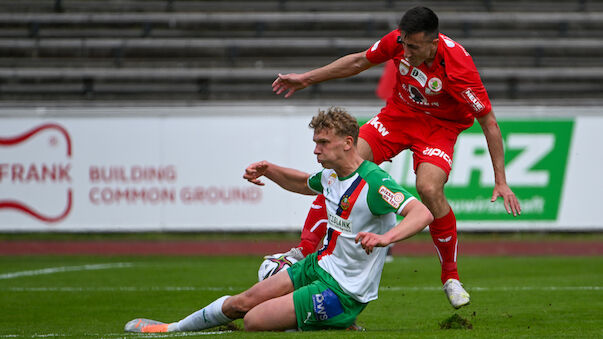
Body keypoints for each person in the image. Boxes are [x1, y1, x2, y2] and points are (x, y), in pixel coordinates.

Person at [272, 6, 522, 309]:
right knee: (342, 164)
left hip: (439, 129)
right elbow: (359, 61)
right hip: (398, 117)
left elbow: (489, 122)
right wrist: (306, 79)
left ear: (434, 43)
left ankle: (450, 277)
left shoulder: (459, 68)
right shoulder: (399, 41)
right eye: (403, 43)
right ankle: (305, 249)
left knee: (429, 188)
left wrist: (501, 181)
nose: (405, 51)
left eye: (413, 46)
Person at [124, 107, 433, 332]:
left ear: (348, 143)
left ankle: (338, 322)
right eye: (315, 142)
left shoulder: (375, 182)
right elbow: (302, 183)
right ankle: (171, 328)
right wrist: (269, 169)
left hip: (343, 291)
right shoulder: (332, 175)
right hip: (318, 267)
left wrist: (384, 239)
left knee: (254, 321)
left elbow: (422, 213)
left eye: (323, 142)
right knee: (240, 303)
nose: (316, 150)